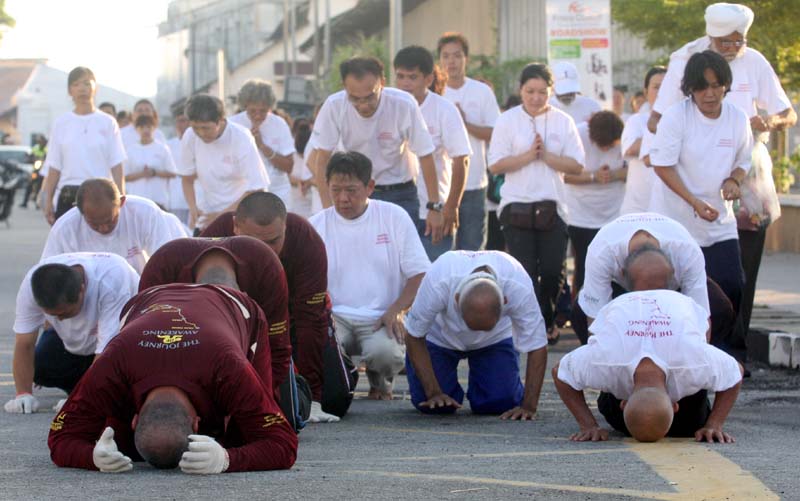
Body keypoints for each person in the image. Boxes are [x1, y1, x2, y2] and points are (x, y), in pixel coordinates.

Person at [648, 3, 797, 339]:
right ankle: (686, 339)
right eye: (724, 42)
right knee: (685, 276)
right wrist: (689, 136)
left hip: (743, 171)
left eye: (738, 42)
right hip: (685, 177)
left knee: (736, 271)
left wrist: (767, 123)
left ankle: (732, 344)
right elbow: (656, 121)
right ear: (710, 37)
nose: (732, 48)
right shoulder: (686, 61)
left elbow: (786, 115)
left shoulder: (754, 63)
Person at [48, 283, 298, 473]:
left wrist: (227, 459)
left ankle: (299, 391)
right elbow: (60, 436)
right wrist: (93, 456)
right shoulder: (113, 363)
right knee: (117, 443)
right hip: (148, 301)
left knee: (241, 436)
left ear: (135, 420)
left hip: (238, 307)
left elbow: (284, 444)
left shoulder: (228, 367)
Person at [201, 192, 355, 422]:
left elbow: (310, 321)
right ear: (235, 228)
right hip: (237, 328)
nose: (267, 252)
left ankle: (335, 369)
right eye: (256, 242)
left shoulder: (306, 240)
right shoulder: (213, 237)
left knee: (333, 401)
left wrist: (313, 396)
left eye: (274, 241)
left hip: (294, 322)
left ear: (286, 226)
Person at [310, 152, 430, 400]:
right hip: (334, 317)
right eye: (336, 190)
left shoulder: (394, 216)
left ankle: (381, 382)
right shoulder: (315, 226)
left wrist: (397, 310)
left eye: (352, 190)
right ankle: (342, 381)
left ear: (370, 187)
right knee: (317, 348)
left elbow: (419, 274)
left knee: (386, 354)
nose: (343, 198)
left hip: (381, 316)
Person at [554, 286, 743, 443]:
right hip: (627, 307)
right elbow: (559, 373)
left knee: (689, 422)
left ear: (623, 403)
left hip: (677, 306)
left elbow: (736, 372)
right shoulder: (605, 360)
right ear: (676, 406)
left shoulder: (693, 362)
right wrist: (588, 425)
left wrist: (714, 424)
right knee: (661, 422)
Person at [649, 51, 752, 335]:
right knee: (681, 290)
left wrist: (733, 180)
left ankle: (727, 356)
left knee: (732, 284)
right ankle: (685, 347)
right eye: (702, 87)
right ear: (690, 89)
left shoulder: (737, 118)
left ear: (726, 86)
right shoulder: (675, 117)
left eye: (717, 85)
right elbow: (662, 166)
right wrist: (693, 201)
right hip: (676, 221)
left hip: (720, 222)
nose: (710, 93)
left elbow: (743, 162)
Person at [488, 63, 585, 345]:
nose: (536, 97)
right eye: (530, 91)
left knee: (554, 270)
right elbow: (496, 163)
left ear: (550, 92)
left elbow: (577, 165)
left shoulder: (562, 121)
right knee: (525, 271)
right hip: (515, 205)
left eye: (542, 91)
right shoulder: (507, 120)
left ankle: (547, 316)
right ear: (520, 90)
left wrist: (547, 156)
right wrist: (529, 155)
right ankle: (533, 325)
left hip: (552, 205)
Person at [310, 57, 444, 244]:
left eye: (370, 97)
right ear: (344, 87)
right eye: (355, 98)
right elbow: (321, 159)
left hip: (400, 192)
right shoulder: (334, 106)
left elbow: (426, 155)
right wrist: (328, 212)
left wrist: (434, 207)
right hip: (356, 192)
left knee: (401, 256)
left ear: (382, 82)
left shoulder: (403, 104)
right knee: (357, 251)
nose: (363, 105)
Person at [405, 251, 547, 418]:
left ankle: (489, 387)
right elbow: (414, 335)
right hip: (441, 337)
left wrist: (529, 406)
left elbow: (537, 345)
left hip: (495, 340)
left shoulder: (517, 283)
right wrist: (433, 392)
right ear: (456, 299)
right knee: (435, 406)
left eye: (483, 328)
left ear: (505, 301)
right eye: (470, 325)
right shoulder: (439, 278)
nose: (474, 333)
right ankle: (441, 389)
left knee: (499, 403)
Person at [573, 212, 738, 349]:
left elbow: (701, 319)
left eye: (658, 290)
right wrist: (602, 362)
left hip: (676, 292)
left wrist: (696, 362)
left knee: (719, 308)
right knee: (579, 312)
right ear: (623, 273)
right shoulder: (602, 252)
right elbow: (594, 319)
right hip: (618, 292)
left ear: (672, 271)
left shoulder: (686, 252)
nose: (652, 301)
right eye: (647, 291)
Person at [5, 253, 139, 414]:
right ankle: (84, 386)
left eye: (64, 313)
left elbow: (106, 351)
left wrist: (80, 399)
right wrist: (23, 394)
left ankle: (92, 391)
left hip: (124, 345)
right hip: (78, 343)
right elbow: (24, 342)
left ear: (82, 290)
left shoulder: (112, 281)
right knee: (41, 365)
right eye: (53, 315)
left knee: (119, 385)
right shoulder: (32, 285)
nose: (59, 320)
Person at [394, 45, 471, 261]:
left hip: (434, 212)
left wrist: (450, 207)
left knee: (434, 278)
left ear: (428, 79)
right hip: (398, 210)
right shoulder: (388, 107)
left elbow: (461, 160)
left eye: (412, 77)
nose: (405, 84)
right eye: (400, 76)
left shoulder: (444, 110)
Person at [438, 32, 502, 252]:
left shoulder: (481, 92)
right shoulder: (435, 93)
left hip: (474, 182)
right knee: (444, 249)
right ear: (439, 60)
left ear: (466, 58)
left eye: (456, 55)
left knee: (473, 249)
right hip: (441, 185)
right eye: (446, 56)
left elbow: (496, 133)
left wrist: (464, 123)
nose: (451, 61)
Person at [40, 67, 126, 224]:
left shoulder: (108, 122)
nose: (82, 89)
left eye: (87, 83)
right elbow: (54, 167)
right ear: (69, 91)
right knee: (69, 247)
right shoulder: (61, 123)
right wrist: (47, 201)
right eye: (76, 84)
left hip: (101, 194)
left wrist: (121, 199)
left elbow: (117, 165)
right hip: (68, 195)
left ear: (95, 87)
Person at [42, 179, 182, 274]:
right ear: (80, 212)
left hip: (138, 290)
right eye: (94, 224)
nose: (103, 229)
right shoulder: (65, 228)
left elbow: (166, 263)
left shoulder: (145, 212)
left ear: (121, 203)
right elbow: (49, 273)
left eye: (110, 221)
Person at [177, 94, 269, 231]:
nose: (201, 133)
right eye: (196, 128)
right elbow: (187, 178)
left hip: (240, 216)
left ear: (221, 120)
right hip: (206, 215)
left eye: (206, 128)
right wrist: (193, 208)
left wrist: (220, 217)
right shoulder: (190, 136)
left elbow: (257, 189)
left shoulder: (241, 137)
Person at [564, 111, 626, 296]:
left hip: (614, 212)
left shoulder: (625, 135)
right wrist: (593, 176)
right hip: (579, 213)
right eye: (602, 146)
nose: (606, 151)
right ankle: (580, 308)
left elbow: (637, 170)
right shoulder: (577, 135)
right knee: (584, 262)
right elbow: (564, 175)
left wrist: (613, 174)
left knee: (614, 263)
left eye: (611, 147)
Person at [229, 80, 296, 207]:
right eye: (253, 111)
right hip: (242, 194)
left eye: (263, 111)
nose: (258, 116)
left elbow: (289, 167)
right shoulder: (232, 124)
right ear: (245, 106)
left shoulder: (279, 124)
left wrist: (263, 146)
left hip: (277, 192)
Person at [619, 67, 667, 215]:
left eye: (666, 87)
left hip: (670, 208)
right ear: (646, 92)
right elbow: (631, 149)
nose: (661, 92)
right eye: (656, 87)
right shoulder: (636, 121)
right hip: (639, 208)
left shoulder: (683, 120)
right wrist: (659, 128)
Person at [124, 115, 176, 210]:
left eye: (148, 127)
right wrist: (142, 174)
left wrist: (154, 173)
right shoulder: (130, 150)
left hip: (159, 200)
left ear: (154, 128)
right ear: (136, 129)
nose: (145, 130)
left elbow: (172, 173)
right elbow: (125, 177)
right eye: (142, 127)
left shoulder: (162, 149)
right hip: (138, 200)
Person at [549, 61, 602, 126]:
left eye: (570, 92)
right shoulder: (545, 107)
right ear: (552, 87)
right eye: (563, 92)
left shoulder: (592, 106)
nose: (567, 95)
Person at [166, 108, 192, 224]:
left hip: (195, 198)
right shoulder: (168, 145)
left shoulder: (198, 143)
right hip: (175, 199)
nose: (180, 124)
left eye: (183, 120)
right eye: (178, 121)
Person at [288, 118, 319, 218]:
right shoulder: (290, 154)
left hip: (313, 204)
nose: (302, 156)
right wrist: (299, 181)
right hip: (294, 202)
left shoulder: (317, 157)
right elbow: (285, 175)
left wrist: (309, 182)